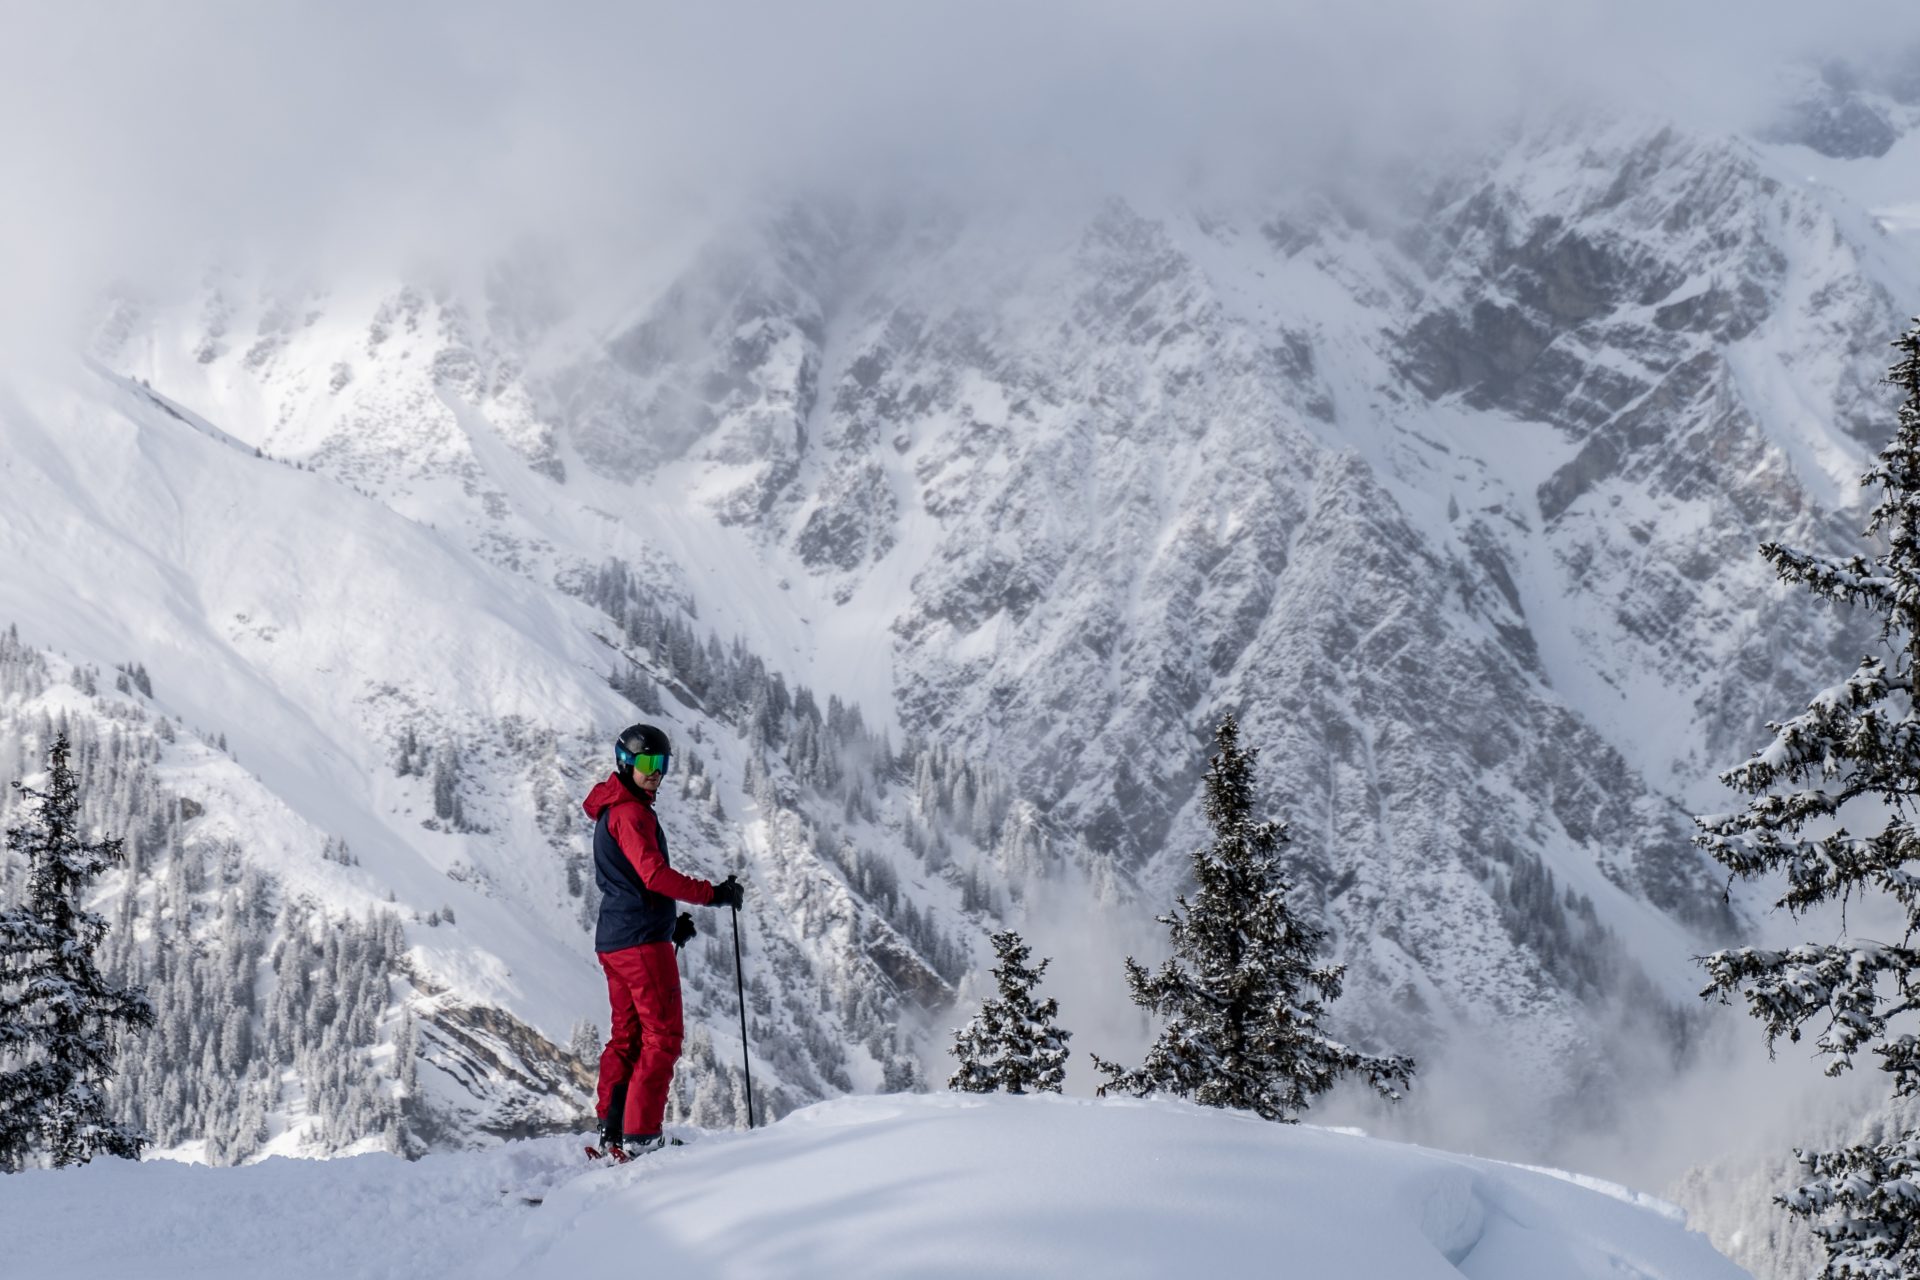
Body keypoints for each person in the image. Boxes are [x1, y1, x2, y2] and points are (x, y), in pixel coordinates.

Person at [584, 722, 745, 1158]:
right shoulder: (631, 814)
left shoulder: (612, 810)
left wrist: (667, 922)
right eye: (648, 763)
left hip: (617, 939)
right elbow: (653, 875)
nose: (656, 772)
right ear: (626, 763)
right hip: (639, 944)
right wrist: (714, 894)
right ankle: (641, 1136)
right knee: (664, 1037)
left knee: (627, 1036)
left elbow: (629, 882)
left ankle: (613, 1130)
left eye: (662, 763)